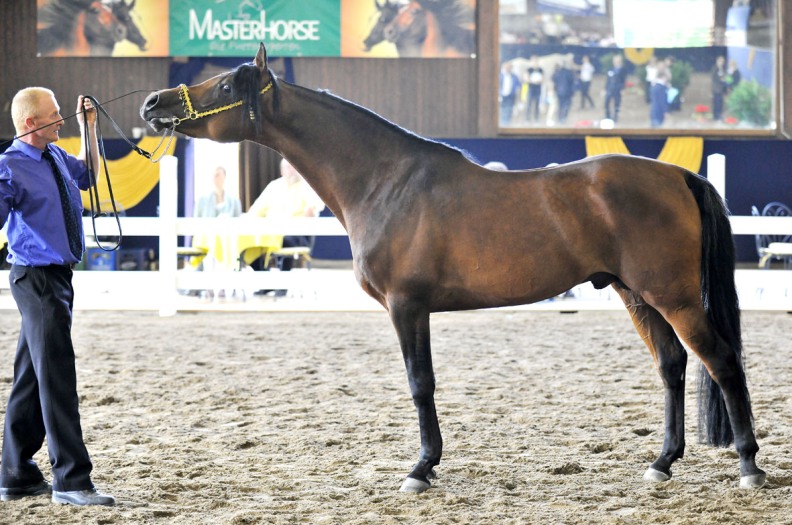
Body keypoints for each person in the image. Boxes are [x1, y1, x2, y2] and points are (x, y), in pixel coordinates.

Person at [0, 87, 115, 506]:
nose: (62, 119)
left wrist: (90, 128)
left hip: (58, 280)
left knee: (32, 377)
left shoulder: (55, 157)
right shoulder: (9, 167)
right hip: (36, 279)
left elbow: (89, 175)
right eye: (55, 114)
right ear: (31, 123)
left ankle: (15, 473)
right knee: (58, 380)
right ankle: (71, 479)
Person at [247, 158, 325, 277]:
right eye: (288, 167)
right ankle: (265, 281)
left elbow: (315, 208)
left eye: (293, 166)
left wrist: (310, 211)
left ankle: (283, 284)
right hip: (270, 233)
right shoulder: (273, 186)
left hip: (297, 235)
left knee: (285, 241)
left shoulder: (306, 186)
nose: (291, 170)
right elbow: (255, 210)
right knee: (248, 243)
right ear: (281, 171)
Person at [193, 166, 242, 299]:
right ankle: (209, 286)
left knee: (227, 251)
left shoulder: (233, 200)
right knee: (210, 255)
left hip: (227, 239)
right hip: (207, 238)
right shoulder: (202, 199)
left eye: (219, 175)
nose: (216, 178)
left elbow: (238, 221)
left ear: (224, 177)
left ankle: (222, 287)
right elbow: (196, 221)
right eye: (214, 175)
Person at [603, 54, 627, 124]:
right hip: (610, 88)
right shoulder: (611, 69)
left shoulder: (623, 70)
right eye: (614, 60)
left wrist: (622, 89)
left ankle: (615, 117)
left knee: (617, 103)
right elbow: (608, 80)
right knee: (606, 102)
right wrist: (605, 88)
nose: (615, 62)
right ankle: (607, 116)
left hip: (617, 89)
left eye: (617, 60)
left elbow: (623, 80)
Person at [498, 62, 520, 126]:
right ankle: (503, 123)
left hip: (511, 96)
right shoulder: (500, 76)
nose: (508, 69)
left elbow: (518, 86)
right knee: (503, 109)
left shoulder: (514, 76)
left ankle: (507, 123)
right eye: (506, 67)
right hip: (502, 95)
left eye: (509, 67)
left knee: (509, 109)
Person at [524, 55, 544, 123]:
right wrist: (533, 81)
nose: (535, 62)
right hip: (531, 89)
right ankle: (527, 119)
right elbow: (526, 79)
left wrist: (538, 81)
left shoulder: (541, 70)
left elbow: (542, 79)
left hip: (538, 89)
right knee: (529, 104)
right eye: (533, 61)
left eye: (536, 61)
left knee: (537, 105)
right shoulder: (529, 69)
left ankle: (536, 119)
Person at [711, 55, 728, 121]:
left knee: (720, 103)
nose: (722, 62)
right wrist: (721, 79)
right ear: (717, 61)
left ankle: (719, 115)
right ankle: (716, 115)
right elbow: (714, 78)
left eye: (723, 61)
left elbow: (724, 76)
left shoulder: (722, 69)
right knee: (716, 103)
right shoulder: (715, 68)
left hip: (721, 89)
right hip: (716, 89)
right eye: (720, 61)